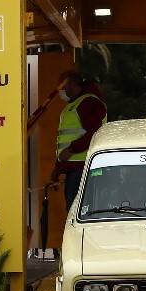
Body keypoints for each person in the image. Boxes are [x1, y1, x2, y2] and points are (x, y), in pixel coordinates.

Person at [50, 69, 107, 211]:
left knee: (77, 213)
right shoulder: (74, 104)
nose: (61, 92)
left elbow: (95, 133)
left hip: (84, 169)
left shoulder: (88, 102)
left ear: (72, 84)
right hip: (76, 169)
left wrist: (71, 150)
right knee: (75, 212)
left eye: (62, 87)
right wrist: (59, 168)